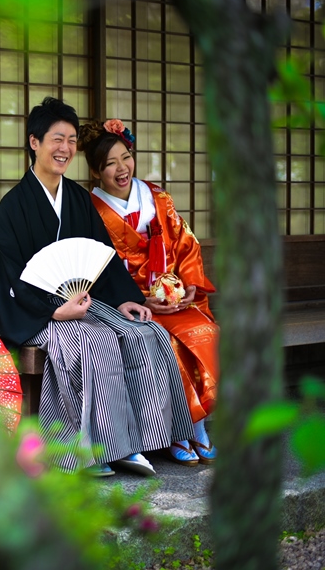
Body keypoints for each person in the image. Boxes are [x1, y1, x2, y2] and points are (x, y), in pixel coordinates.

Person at [0, 97, 194, 477]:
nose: (65, 149)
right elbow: (9, 277)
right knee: (93, 341)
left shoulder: (78, 199)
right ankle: (91, 449)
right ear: (34, 142)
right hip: (36, 310)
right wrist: (54, 310)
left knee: (146, 333)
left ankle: (143, 440)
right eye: (56, 139)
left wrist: (127, 299)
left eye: (71, 140)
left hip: (82, 300)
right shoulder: (13, 206)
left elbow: (104, 257)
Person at [79, 119, 218, 466]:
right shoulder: (90, 210)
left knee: (205, 334)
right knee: (166, 343)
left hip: (170, 294)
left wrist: (188, 284)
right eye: (110, 164)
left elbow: (186, 245)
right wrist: (140, 298)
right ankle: (179, 431)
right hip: (129, 302)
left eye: (125, 157)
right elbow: (93, 266)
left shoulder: (157, 198)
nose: (121, 169)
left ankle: (197, 423)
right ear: (96, 173)